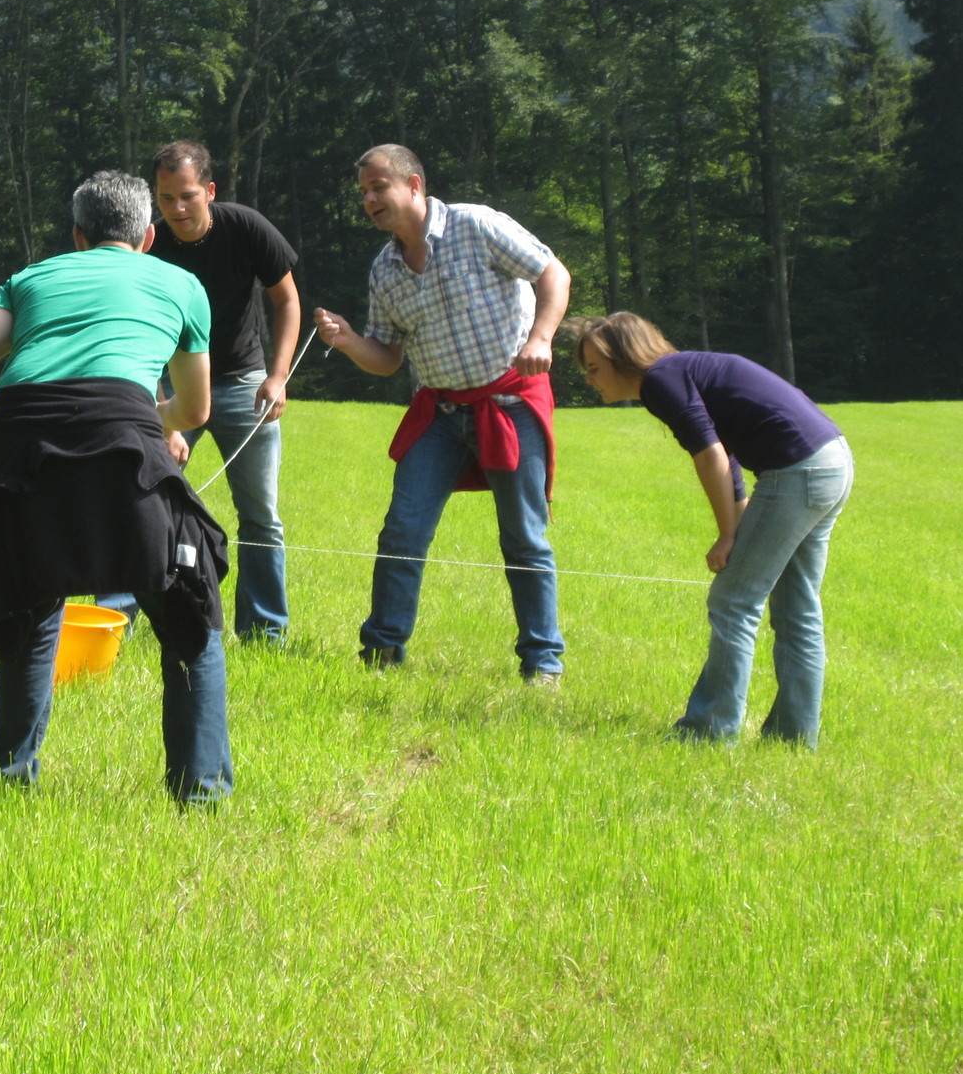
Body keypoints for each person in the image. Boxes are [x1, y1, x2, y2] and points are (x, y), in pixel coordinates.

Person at [0, 170, 233, 805]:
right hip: (125, 447)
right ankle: (202, 795)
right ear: (149, 236)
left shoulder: (31, 279)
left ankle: (7, 781)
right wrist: (154, 425)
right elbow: (195, 408)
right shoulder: (182, 284)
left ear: (77, 236)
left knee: (30, 597)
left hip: (18, 450)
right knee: (190, 604)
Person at [313, 144, 571, 683]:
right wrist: (349, 342)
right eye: (363, 192)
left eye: (378, 187)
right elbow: (386, 358)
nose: (369, 199)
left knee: (523, 535)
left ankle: (542, 664)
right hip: (441, 411)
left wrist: (542, 337)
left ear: (413, 185)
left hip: (509, 401)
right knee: (402, 530)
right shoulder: (385, 270)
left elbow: (553, 274)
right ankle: (381, 654)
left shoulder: (475, 226)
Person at [574, 313, 853, 747]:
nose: (590, 380)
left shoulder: (661, 379)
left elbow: (710, 456)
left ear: (623, 358)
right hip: (831, 461)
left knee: (733, 601)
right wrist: (736, 526)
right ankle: (793, 740)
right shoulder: (679, 372)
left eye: (593, 368)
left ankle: (709, 732)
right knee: (797, 608)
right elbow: (727, 454)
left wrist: (728, 536)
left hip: (798, 472)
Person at [100, 141, 300, 641]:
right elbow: (136, 328)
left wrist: (277, 377)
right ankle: (117, 620)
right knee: (137, 494)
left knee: (260, 516)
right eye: (165, 200)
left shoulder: (247, 228)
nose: (177, 209)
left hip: (242, 384)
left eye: (187, 196)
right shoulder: (151, 245)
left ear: (209, 191)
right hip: (171, 383)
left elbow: (288, 301)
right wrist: (158, 413)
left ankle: (264, 633)